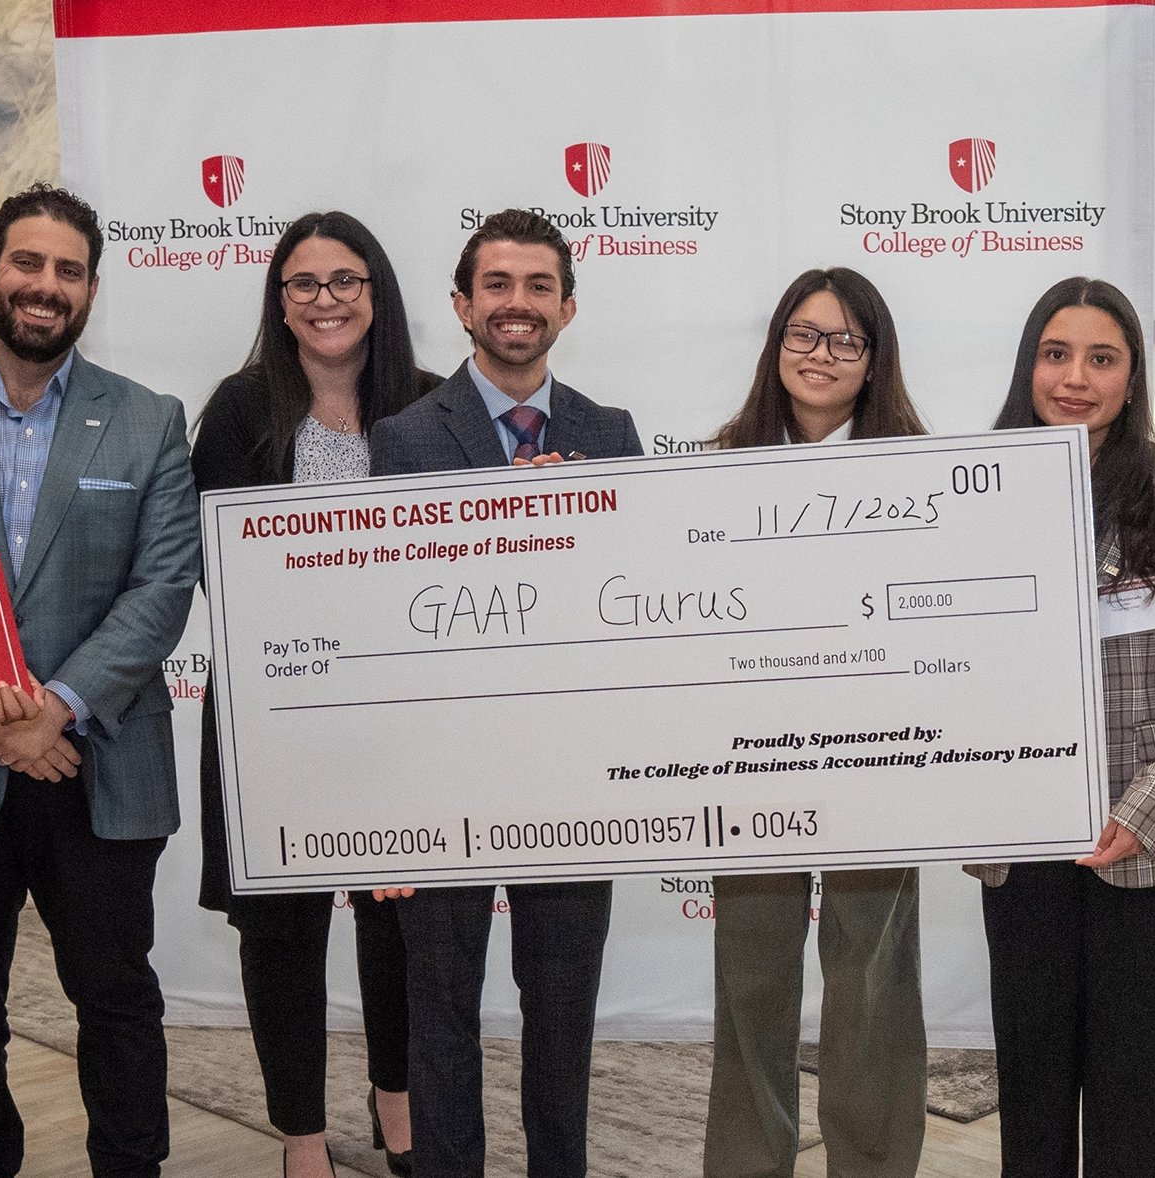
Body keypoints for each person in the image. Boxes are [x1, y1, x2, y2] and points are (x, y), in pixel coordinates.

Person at [0, 184, 200, 1178]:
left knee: (117, 999)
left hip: (99, 760)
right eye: (28, 263)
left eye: (68, 271)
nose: (46, 286)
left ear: (90, 289)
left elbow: (163, 585)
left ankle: (131, 1165)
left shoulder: (149, 420)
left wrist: (55, 708)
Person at [364, 207, 643, 1178]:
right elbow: (382, 621)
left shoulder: (611, 435)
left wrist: (575, 528)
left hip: (572, 778)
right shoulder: (402, 438)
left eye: (537, 286)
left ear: (568, 307)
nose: (516, 303)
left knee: (562, 1016)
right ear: (461, 303)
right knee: (439, 1015)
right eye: (496, 284)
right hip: (441, 776)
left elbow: (638, 605)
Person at [190, 210, 440, 1178]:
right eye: (304, 282)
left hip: (402, 713)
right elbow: (216, 563)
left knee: (401, 915)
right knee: (282, 931)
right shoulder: (240, 408)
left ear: (376, 292)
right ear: (280, 300)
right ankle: (300, 1134)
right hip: (275, 711)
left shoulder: (430, 403)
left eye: (345, 280)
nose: (326, 299)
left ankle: (397, 1101)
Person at [969, 277, 1155, 1178]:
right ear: (1028, 365)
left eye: (1102, 358)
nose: (1075, 378)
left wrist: (1144, 811)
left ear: (1131, 376)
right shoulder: (973, 488)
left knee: (1136, 1083)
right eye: (1056, 354)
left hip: (1149, 835)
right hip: (1022, 831)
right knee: (1032, 1079)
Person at [699, 267, 931, 1178]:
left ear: (874, 359)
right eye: (803, 334)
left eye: (844, 340)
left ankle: (871, 1163)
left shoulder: (926, 473)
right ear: (776, 348)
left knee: (872, 983)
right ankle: (747, 1162)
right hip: (750, 760)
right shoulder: (717, 467)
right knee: (750, 977)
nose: (821, 354)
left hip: (879, 759)